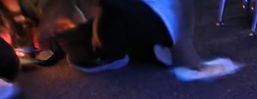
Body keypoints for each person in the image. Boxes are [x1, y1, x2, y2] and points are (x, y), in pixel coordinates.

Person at [45, 0, 240, 79]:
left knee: (85, 48)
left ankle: (112, 51)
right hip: (160, 24)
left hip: (144, 19)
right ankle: (145, 48)